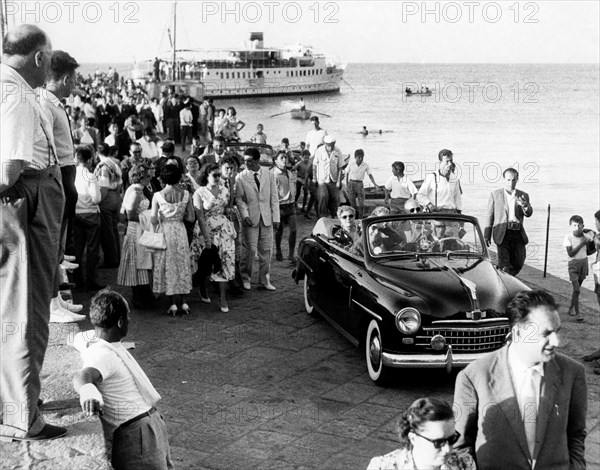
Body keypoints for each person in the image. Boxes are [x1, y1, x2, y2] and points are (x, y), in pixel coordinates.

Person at [0, 24, 70, 442]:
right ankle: (23, 416)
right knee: (27, 313)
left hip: (21, 204)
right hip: (28, 203)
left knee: (9, 310)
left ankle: (13, 401)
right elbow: (9, 170)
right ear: (40, 58)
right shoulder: (19, 97)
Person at [454, 289, 587, 470]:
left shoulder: (573, 373)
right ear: (517, 333)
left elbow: (576, 434)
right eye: (545, 334)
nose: (556, 341)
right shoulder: (473, 376)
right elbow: (460, 445)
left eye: (557, 331)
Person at [73, 289, 171, 470]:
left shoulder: (97, 342)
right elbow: (83, 376)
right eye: (128, 318)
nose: (129, 321)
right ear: (120, 322)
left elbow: (79, 337)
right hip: (137, 433)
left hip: (143, 427)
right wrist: (88, 391)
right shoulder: (102, 354)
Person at [41, 49, 86, 322]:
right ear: (65, 78)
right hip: (58, 170)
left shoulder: (55, 103)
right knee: (54, 237)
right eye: (74, 78)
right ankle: (52, 303)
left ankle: (57, 297)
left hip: (66, 168)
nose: (75, 83)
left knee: (60, 233)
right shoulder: (46, 103)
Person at [367, 397, 475, 470]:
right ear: (414, 438)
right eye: (438, 442)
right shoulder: (383, 467)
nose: (447, 449)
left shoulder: (464, 464)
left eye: (452, 439)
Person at [151, 163, 194, 315]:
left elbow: (154, 219)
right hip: (180, 230)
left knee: (168, 264)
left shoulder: (157, 195)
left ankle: (172, 304)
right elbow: (191, 217)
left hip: (166, 231)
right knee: (182, 263)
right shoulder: (186, 194)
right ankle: (184, 302)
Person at [193, 163, 237, 312]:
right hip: (206, 229)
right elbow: (199, 216)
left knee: (225, 260)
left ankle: (222, 297)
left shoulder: (225, 190)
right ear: (206, 176)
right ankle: (203, 288)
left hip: (223, 229)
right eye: (215, 175)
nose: (218, 178)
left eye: (219, 174)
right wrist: (206, 238)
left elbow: (226, 208)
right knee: (205, 262)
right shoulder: (199, 192)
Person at [236, 147, 280, 291]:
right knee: (249, 250)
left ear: (256, 160)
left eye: (249, 161)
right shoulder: (241, 177)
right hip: (251, 218)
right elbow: (240, 200)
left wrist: (276, 217)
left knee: (266, 250)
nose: (246, 164)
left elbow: (274, 197)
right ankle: (245, 278)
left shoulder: (269, 174)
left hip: (266, 217)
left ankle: (264, 280)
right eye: (244, 161)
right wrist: (245, 215)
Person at [483, 167, 533, 276]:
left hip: (517, 233)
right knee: (504, 264)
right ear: (504, 179)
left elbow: (529, 213)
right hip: (502, 233)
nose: (511, 183)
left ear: (517, 179)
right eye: (508, 180)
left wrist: (525, 205)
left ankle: (506, 276)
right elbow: (489, 216)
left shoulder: (523, 195)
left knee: (519, 262)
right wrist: (487, 235)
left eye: (514, 180)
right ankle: (505, 278)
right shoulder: (495, 195)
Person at [117, 164, 153, 309]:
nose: (150, 178)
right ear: (141, 177)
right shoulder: (136, 192)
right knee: (136, 262)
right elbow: (130, 215)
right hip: (136, 230)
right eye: (148, 176)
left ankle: (144, 294)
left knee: (141, 262)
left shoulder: (137, 190)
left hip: (140, 229)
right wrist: (149, 218)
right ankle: (139, 296)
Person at [72, 145, 104, 291]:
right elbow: (96, 199)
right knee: (92, 249)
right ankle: (91, 280)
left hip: (76, 213)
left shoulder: (72, 174)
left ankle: (78, 280)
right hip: (91, 213)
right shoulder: (91, 176)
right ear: (90, 159)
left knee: (78, 248)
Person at [95, 143, 123, 269]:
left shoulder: (103, 166)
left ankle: (111, 260)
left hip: (106, 199)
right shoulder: (115, 163)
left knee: (107, 232)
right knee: (114, 229)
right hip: (116, 198)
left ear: (97, 153)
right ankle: (117, 256)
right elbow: (120, 183)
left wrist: (98, 200)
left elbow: (104, 186)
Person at [563, 215, 594, 321]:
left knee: (577, 290)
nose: (577, 228)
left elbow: (594, 237)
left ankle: (571, 307)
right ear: (570, 226)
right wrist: (582, 244)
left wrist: (590, 233)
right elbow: (570, 253)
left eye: (579, 225)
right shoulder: (568, 237)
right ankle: (578, 313)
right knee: (576, 289)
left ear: (583, 226)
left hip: (583, 264)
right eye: (574, 225)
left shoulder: (585, 236)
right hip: (573, 266)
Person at [272, 151, 297, 263]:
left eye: (285, 158)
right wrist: (275, 208)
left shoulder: (290, 173)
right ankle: (278, 250)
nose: (284, 160)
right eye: (281, 158)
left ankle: (291, 254)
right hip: (279, 205)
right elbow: (271, 193)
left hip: (291, 205)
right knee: (279, 230)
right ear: (276, 160)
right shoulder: (273, 174)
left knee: (294, 230)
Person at [417, 149, 462, 213]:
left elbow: (458, 198)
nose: (450, 164)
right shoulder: (432, 177)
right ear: (440, 162)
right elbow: (420, 195)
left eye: (451, 161)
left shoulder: (455, 179)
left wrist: (459, 214)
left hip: (452, 214)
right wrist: (430, 205)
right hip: (437, 214)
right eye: (447, 161)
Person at [313, 135, 344, 218]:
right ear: (326, 144)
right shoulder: (319, 151)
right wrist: (314, 178)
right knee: (323, 196)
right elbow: (314, 165)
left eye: (333, 144)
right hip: (322, 179)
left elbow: (340, 167)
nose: (332, 146)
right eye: (330, 144)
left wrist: (339, 181)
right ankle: (322, 215)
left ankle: (335, 215)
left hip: (333, 179)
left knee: (336, 198)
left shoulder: (338, 151)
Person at [345, 149, 378, 219]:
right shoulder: (351, 164)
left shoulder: (365, 165)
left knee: (361, 204)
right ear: (355, 157)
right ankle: (353, 218)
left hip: (360, 184)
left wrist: (375, 184)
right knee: (352, 204)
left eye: (362, 157)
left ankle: (360, 218)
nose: (360, 159)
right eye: (359, 157)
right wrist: (347, 184)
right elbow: (346, 173)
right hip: (351, 183)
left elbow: (370, 175)